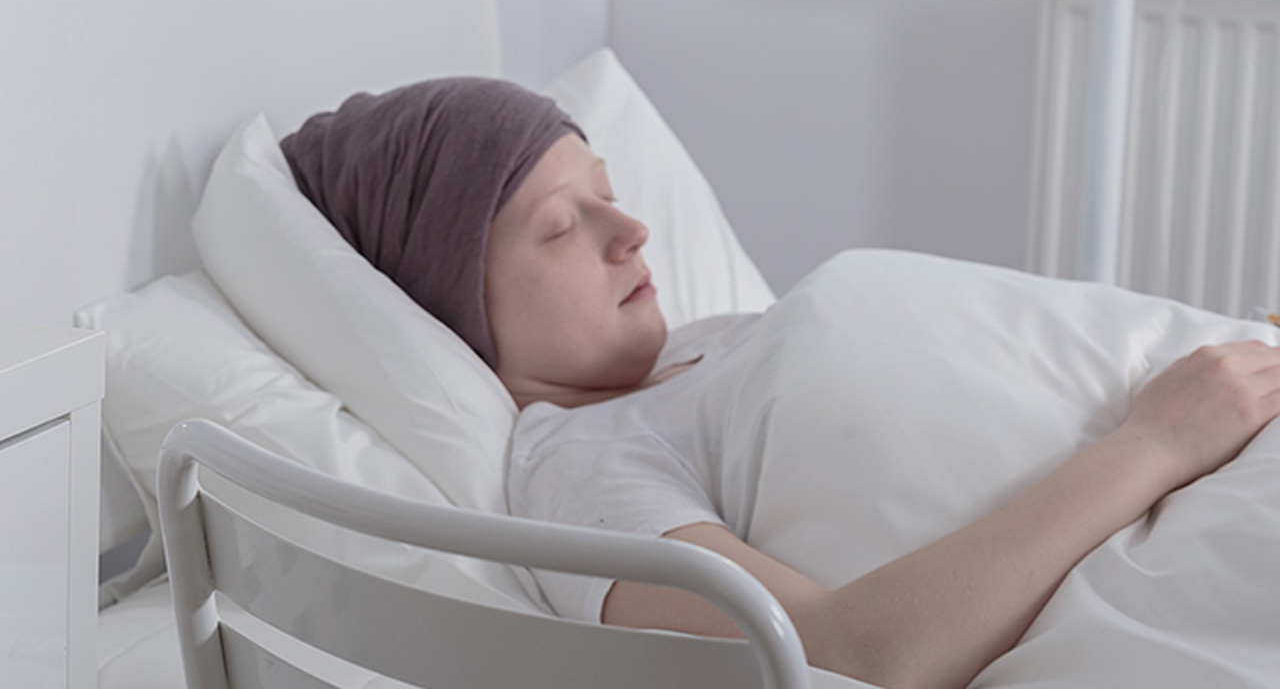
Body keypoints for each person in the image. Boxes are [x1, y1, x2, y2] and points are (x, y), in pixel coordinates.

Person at [281, 78, 1280, 689]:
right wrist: (1155, 443)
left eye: (608, 195)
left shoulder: (707, 341)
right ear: (455, 299)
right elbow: (840, 657)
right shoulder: (575, 466)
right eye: (558, 227)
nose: (630, 231)